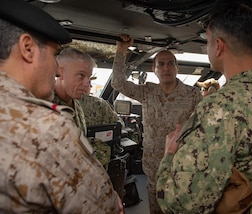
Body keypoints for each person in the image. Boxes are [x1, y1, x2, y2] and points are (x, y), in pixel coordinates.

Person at [156, 1, 252, 213]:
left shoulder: (219, 107)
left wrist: (169, 155)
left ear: (219, 46)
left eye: (207, 42)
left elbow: (180, 203)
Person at [0, 0, 124, 213]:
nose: (57, 69)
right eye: (54, 55)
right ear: (27, 48)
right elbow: (105, 207)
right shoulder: (45, 126)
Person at [111, 34, 203, 214]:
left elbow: (201, 128)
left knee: (182, 205)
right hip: (153, 164)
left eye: (170, 63)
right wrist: (121, 51)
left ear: (177, 67)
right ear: (154, 69)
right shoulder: (147, 92)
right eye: (161, 64)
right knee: (156, 206)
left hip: (182, 163)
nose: (166, 68)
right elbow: (118, 82)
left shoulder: (193, 94)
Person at [53, 47, 96, 135]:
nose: (86, 83)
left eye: (89, 78)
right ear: (61, 72)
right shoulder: (45, 107)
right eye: (81, 75)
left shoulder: (75, 103)